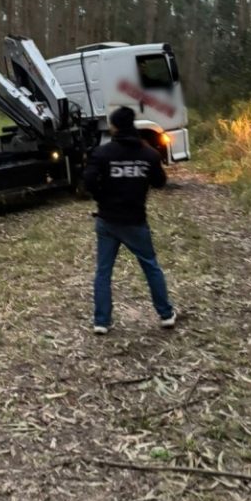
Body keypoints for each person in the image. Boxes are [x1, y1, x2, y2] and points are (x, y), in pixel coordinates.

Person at [82, 106, 176, 334]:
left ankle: (101, 321)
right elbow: (160, 182)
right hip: (135, 220)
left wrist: (101, 197)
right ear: (132, 125)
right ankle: (165, 314)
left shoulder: (102, 153)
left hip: (107, 220)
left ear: (114, 127)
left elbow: (88, 181)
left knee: (103, 272)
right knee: (151, 267)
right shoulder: (148, 154)